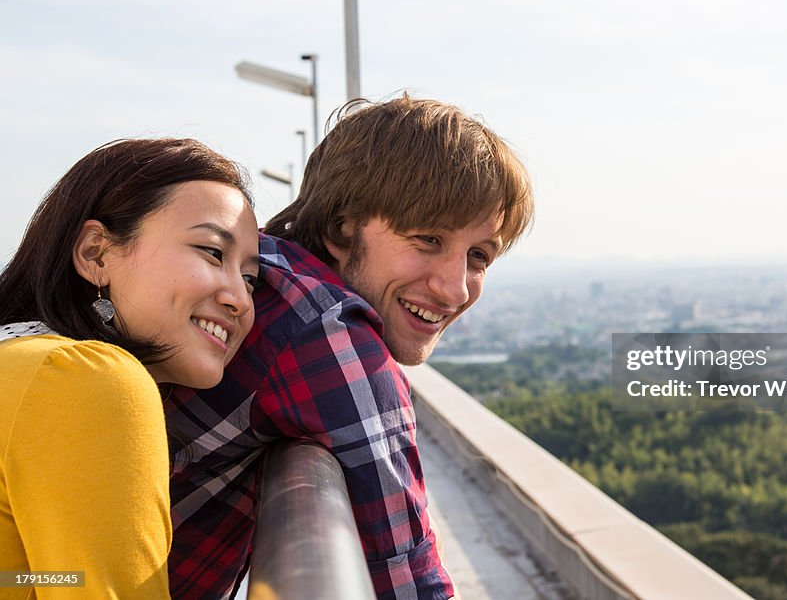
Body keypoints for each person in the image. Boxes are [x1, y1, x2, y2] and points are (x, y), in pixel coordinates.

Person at [165, 95, 535, 599]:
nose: (455, 288)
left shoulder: (269, 278)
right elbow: (407, 577)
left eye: (479, 256)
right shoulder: (326, 327)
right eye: (427, 239)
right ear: (344, 228)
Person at [0, 139, 260, 599]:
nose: (239, 299)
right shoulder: (85, 378)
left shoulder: (23, 363)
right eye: (212, 252)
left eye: (251, 279)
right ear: (96, 254)